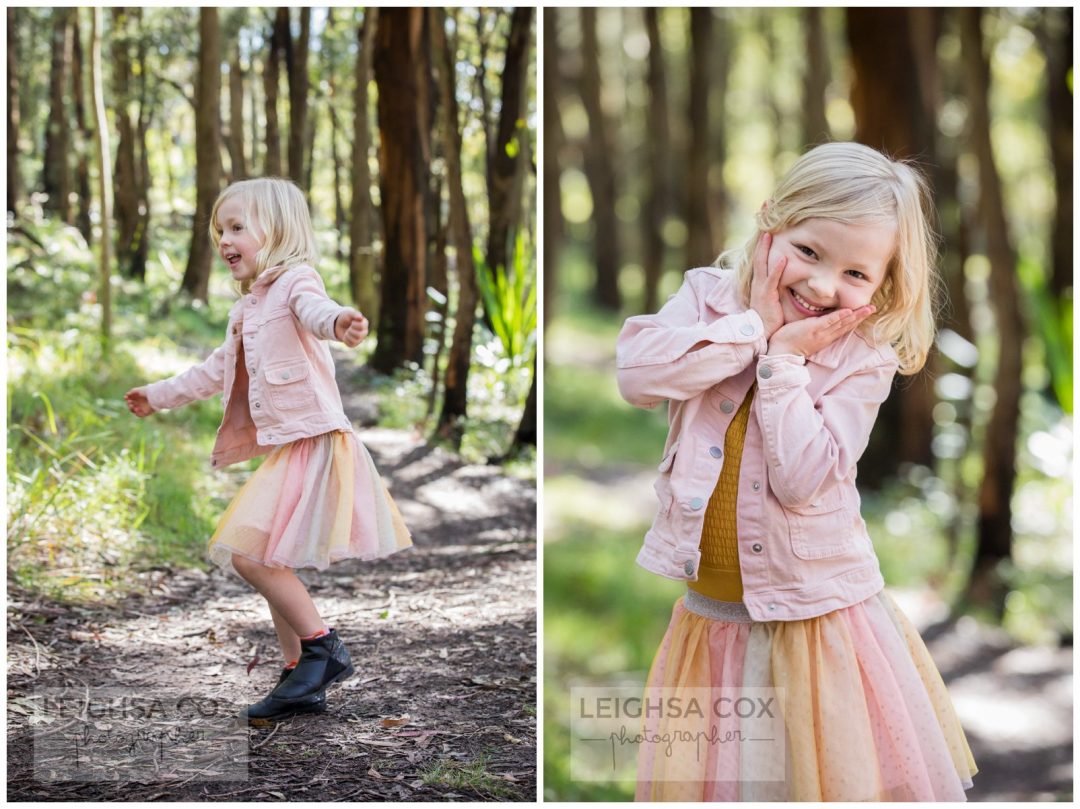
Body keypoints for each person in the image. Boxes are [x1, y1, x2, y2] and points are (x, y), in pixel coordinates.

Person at [616, 142, 977, 800]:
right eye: (808, 251)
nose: (820, 285)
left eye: (855, 274)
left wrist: (783, 364)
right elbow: (638, 375)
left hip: (818, 623)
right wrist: (753, 330)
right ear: (770, 222)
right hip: (713, 622)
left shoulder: (862, 357)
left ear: (884, 285)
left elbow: (804, 476)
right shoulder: (706, 300)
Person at [125, 178, 412, 722]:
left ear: (276, 232)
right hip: (291, 447)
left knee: (248, 554)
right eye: (219, 230)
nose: (224, 239)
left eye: (237, 228)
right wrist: (158, 397)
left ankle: (323, 649)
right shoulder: (246, 310)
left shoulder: (294, 282)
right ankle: (298, 676)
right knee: (266, 554)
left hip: (317, 439)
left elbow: (316, 310)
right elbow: (215, 371)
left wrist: (341, 321)